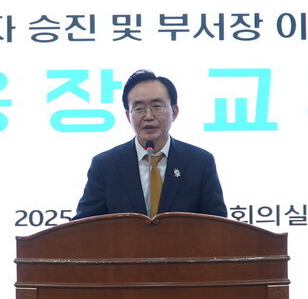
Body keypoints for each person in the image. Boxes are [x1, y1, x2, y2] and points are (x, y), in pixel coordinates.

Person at [74, 69, 227, 219]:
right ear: (128, 116)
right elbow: (83, 226)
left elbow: (217, 225)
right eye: (139, 108)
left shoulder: (200, 162)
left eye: (157, 106)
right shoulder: (105, 165)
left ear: (174, 112)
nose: (148, 116)